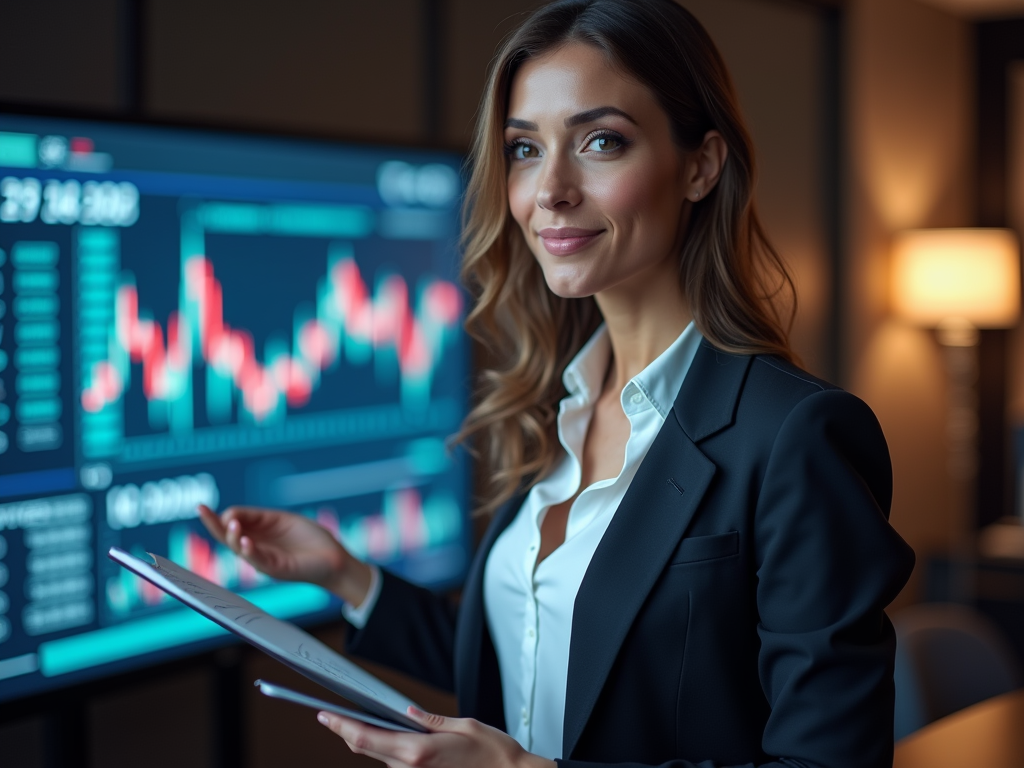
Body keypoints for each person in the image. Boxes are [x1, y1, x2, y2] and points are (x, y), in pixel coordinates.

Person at [200, 1, 915, 766]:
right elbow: (553, 654)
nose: (551, 190)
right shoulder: (557, 404)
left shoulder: (798, 436)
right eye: (524, 149)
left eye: (602, 142)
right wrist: (349, 577)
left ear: (702, 165)